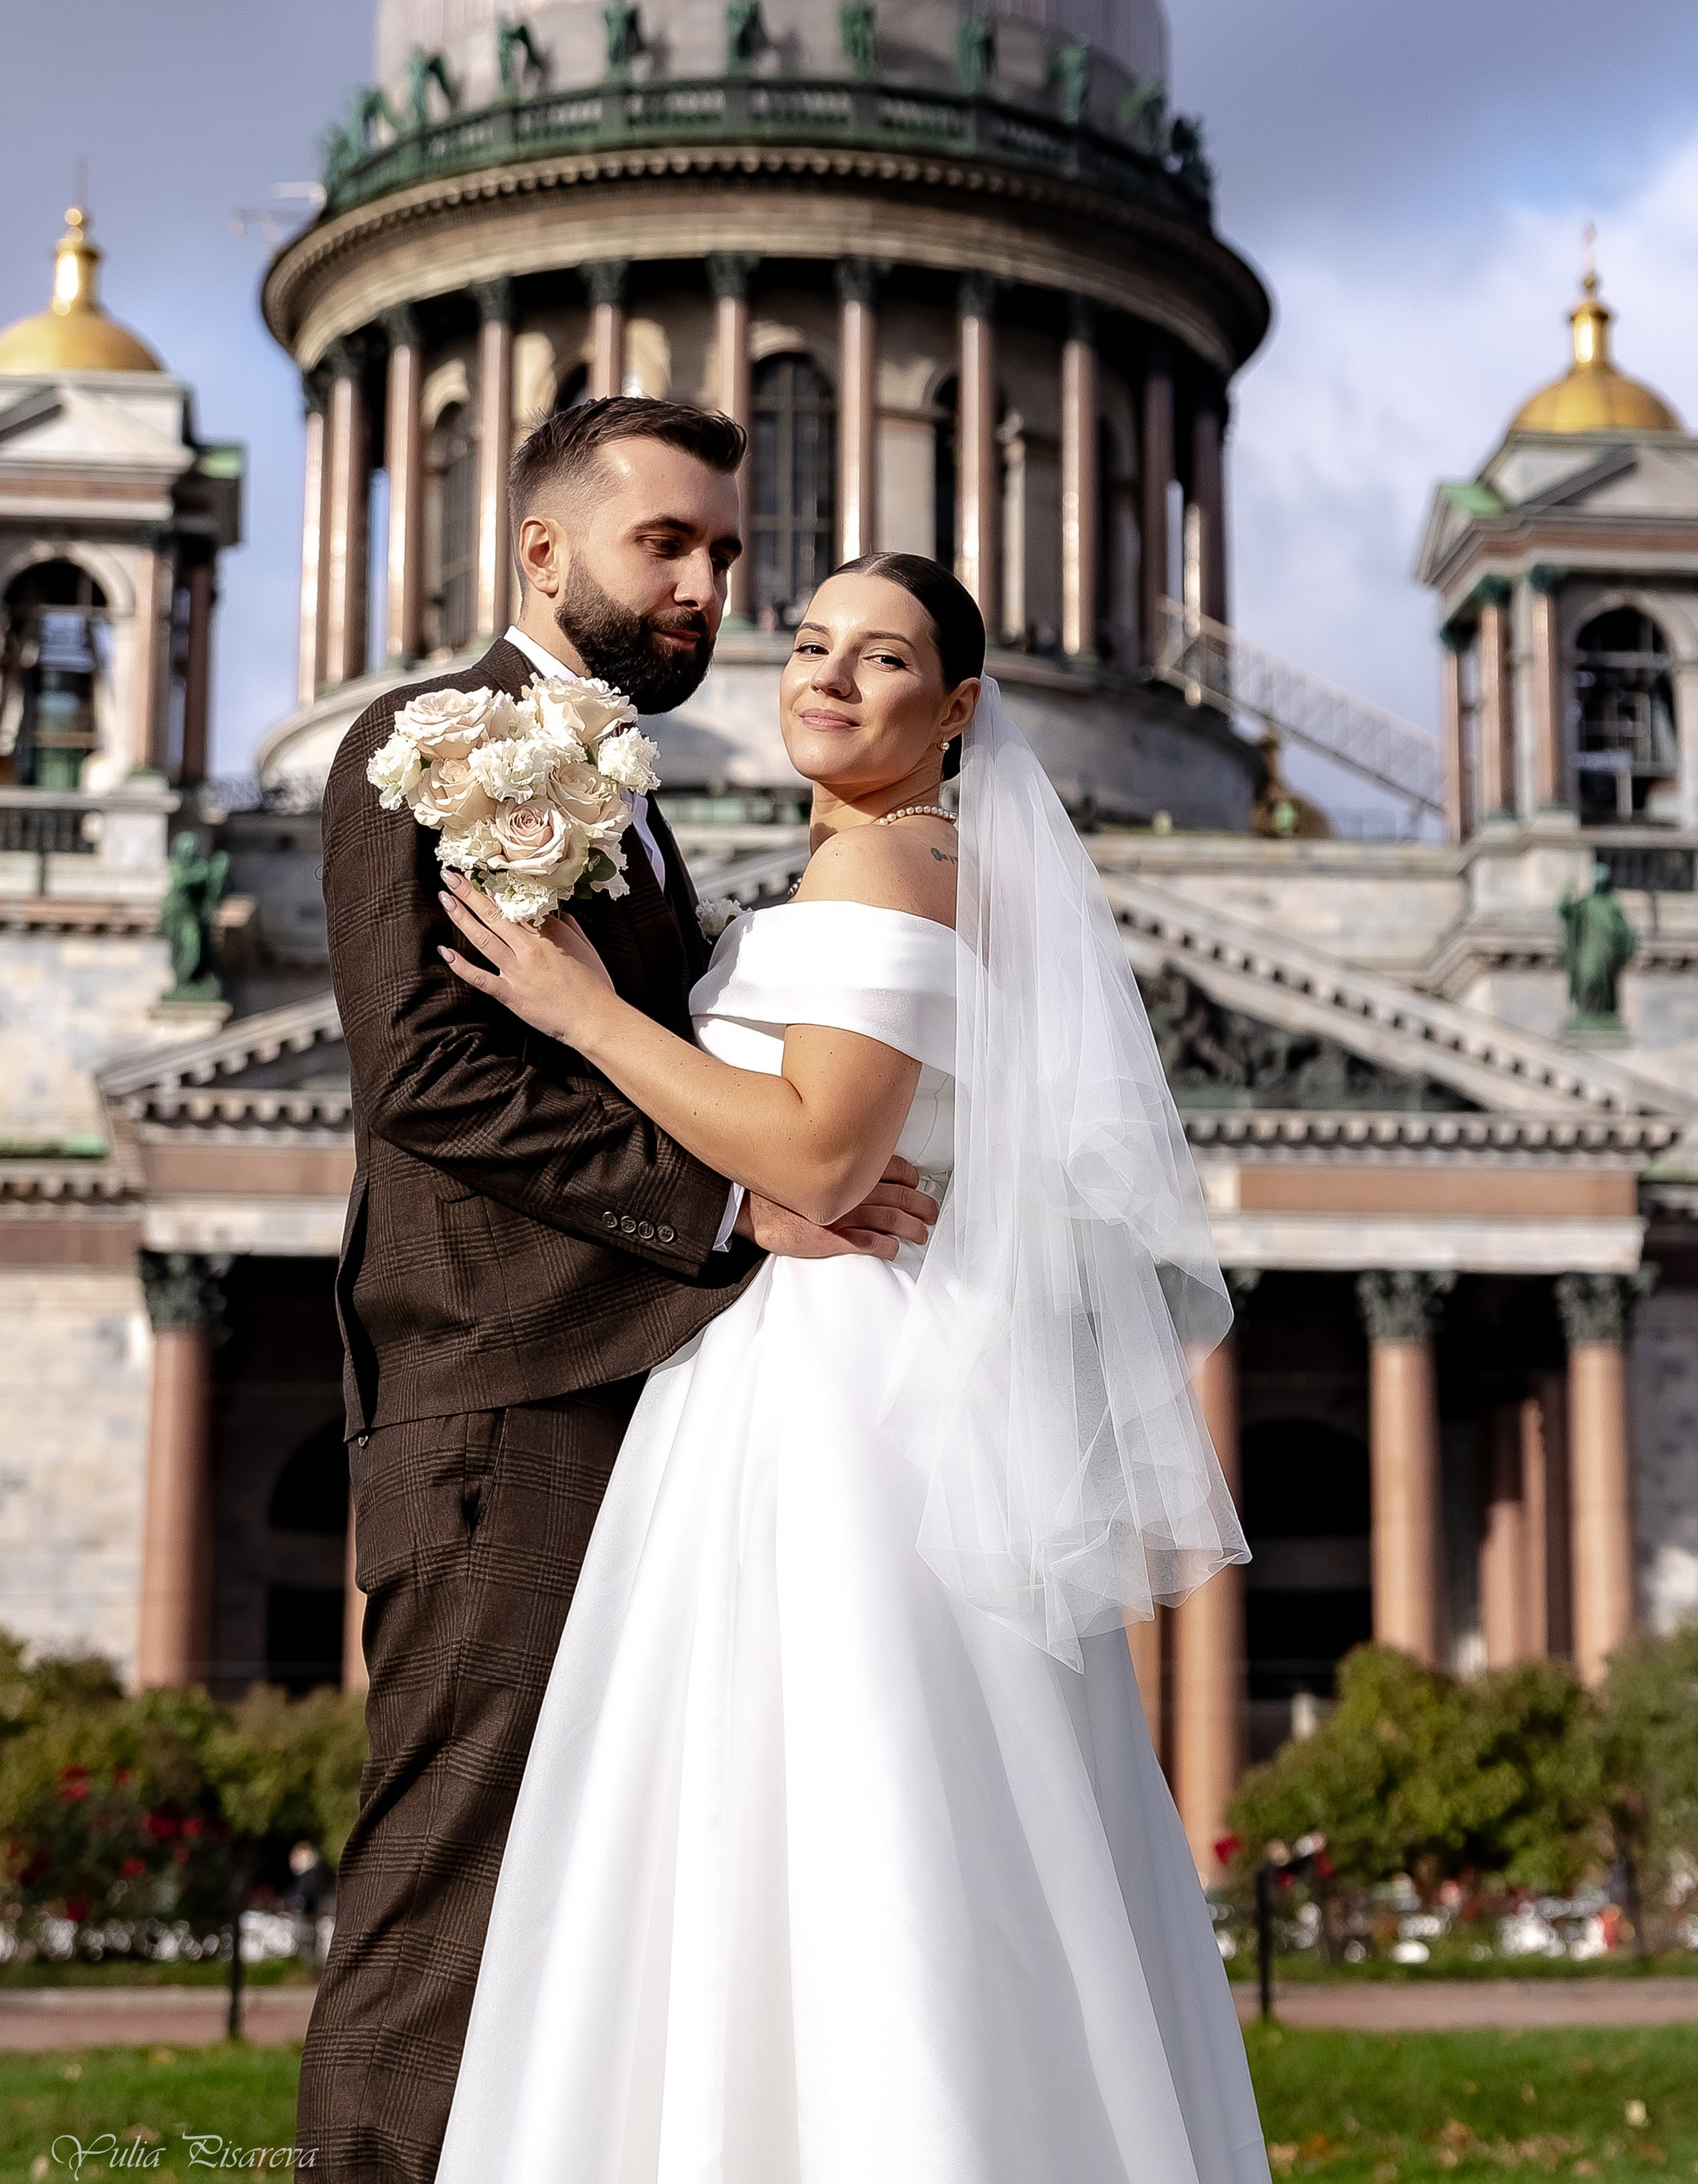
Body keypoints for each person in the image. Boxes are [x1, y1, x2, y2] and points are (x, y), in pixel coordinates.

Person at [429, 550, 1267, 2184]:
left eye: (878, 658)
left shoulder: (893, 863)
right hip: (809, 1374)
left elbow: (818, 1154)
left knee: (832, 1792)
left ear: (955, 708)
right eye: (807, 641)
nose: (824, 675)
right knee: (859, 1802)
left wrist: (583, 1011)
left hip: (839, 1400)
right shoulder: (861, 864)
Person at [298, 399, 936, 2183]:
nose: (704, 584)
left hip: (628, 1389)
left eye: (724, 550)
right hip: (505, 1399)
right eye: (664, 542)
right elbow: (428, 1079)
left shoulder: (618, 778)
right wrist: (736, 1198)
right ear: (539, 549)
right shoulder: (432, 748)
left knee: (594, 1890)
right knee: (453, 1885)